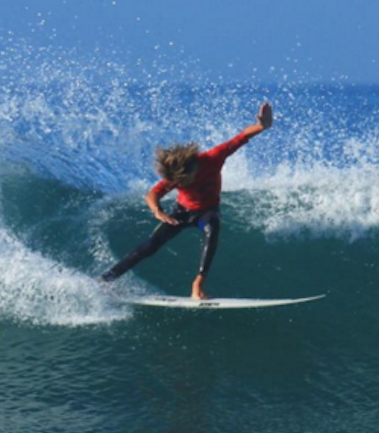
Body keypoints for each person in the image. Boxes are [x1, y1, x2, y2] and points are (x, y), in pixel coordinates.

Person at [100, 102, 273, 299]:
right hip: (181, 212)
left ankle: (198, 283)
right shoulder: (176, 176)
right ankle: (107, 279)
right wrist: (157, 211)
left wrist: (262, 126)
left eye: (183, 181)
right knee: (151, 245)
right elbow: (153, 194)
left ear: (193, 168)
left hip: (207, 212)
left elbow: (240, 138)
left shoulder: (213, 158)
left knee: (212, 230)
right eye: (176, 182)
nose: (180, 185)